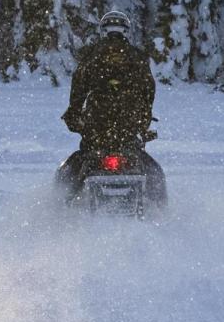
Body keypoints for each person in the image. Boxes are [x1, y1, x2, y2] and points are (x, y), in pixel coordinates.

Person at [57, 11, 159, 197]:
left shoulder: (92, 55)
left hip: (97, 127)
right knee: (153, 170)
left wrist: (73, 114)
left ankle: (62, 207)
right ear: (126, 31)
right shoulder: (137, 57)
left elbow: (78, 88)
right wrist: (143, 120)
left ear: (103, 30)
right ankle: (159, 207)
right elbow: (148, 92)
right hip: (128, 128)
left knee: (74, 165)